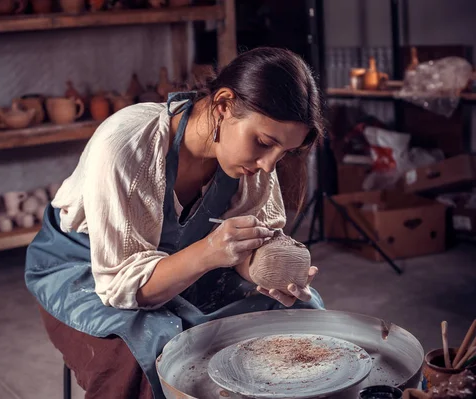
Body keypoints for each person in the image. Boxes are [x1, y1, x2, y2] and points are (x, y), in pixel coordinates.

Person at [25, 47, 326, 399]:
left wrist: (265, 272)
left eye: (284, 153)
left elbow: (246, 247)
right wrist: (210, 252)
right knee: (161, 351)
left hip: (190, 260)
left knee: (302, 313)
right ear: (224, 104)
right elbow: (125, 288)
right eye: (263, 142)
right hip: (90, 270)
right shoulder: (128, 142)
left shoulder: (253, 163)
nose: (268, 165)